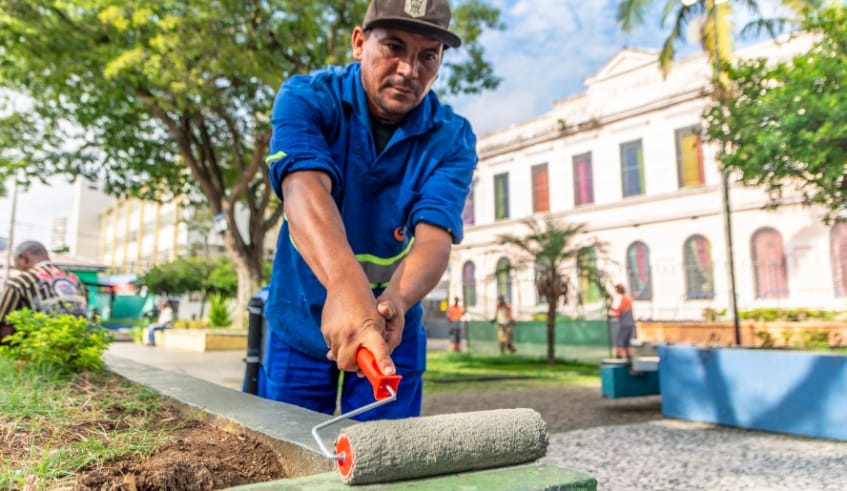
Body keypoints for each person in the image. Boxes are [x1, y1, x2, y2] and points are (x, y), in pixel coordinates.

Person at [259, 0, 476, 421]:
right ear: (359, 43)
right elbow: (303, 189)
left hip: (394, 329)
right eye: (394, 46)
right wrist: (344, 287)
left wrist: (397, 300)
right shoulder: (306, 98)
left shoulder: (453, 137)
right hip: (298, 319)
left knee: (384, 455)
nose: (409, 70)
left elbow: (434, 239)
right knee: (288, 447)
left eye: (427, 56)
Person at [0, 241, 88, 343]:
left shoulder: (19, 283)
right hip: (77, 348)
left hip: (37, 349)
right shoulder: (76, 281)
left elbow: (4, 327)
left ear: (23, 258)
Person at [610, 283, 636, 361]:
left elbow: (620, 311)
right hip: (630, 323)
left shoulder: (625, 298)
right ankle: (629, 356)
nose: (616, 291)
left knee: (620, 340)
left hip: (625, 323)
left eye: (617, 289)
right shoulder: (628, 297)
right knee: (627, 341)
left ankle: (619, 356)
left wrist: (612, 310)